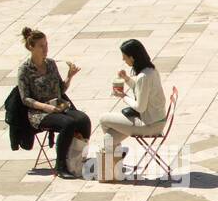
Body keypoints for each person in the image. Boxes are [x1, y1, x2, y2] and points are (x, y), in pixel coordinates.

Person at [16, 27, 89, 179]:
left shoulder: (50, 64)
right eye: (41, 46)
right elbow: (25, 99)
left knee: (83, 120)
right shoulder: (25, 70)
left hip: (58, 106)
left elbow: (61, 88)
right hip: (39, 113)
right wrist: (46, 107)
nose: (45, 49)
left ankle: (78, 158)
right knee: (68, 124)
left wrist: (69, 77)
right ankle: (61, 166)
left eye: (46, 45)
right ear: (31, 47)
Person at [98, 39, 167, 183]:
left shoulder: (143, 77)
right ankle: (115, 159)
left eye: (124, 56)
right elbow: (142, 90)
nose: (123, 59)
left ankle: (114, 159)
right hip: (157, 120)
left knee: (104, 119)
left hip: (149, 124)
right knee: (108, 139)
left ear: (132, 57)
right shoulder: (151, 71)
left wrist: (123, 96)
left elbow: (140, 107)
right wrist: (127, 79)